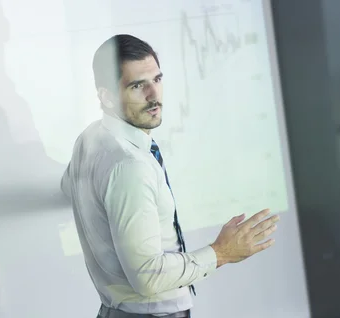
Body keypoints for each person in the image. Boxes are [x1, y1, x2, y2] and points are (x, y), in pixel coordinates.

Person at [60, 34, 280, 318]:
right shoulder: (130, 166)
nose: (154, 95)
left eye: (157, 79)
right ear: (106, 96)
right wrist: (222, 252)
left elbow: (69, 189)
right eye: (138, 86)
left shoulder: (90, 138)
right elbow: (148, 277)